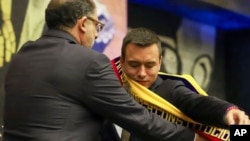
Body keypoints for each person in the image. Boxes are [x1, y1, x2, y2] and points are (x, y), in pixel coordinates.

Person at [3, 0, 206, 141]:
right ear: (83, 24)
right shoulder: (90, 62)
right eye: (97, 26)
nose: (97, 36)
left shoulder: (23, 55)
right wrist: (195, 138)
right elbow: (139, 118)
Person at [117, 27, 250, 141]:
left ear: (159, 63)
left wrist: (227, 112)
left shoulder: (169, 89)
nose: (142, 73)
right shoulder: (110, 83)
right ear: (122, 61)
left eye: (149, 65)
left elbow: (196, 103)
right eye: (134, 65)